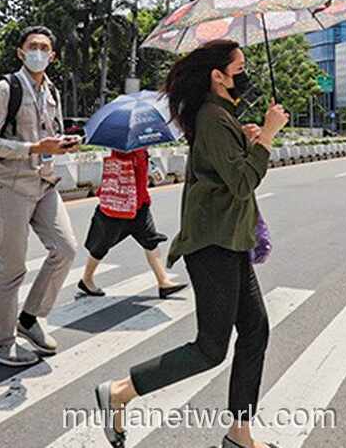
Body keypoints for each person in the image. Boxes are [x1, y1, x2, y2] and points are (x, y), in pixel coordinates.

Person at [94, 40, 289, 448]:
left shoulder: (222, 117)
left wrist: (251, 139)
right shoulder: (213, 117)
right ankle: (119, 393)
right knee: (210, 349)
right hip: (212, 245)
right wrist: (268, 135)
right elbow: (241, 183)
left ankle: (240, 434)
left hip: (229, 241)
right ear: (218, 76)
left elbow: (228, 171)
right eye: (239, 68)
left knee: (255, 331)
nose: (244, 74)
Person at [0, 25, 79, 367]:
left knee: (65, 249)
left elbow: (50, 135)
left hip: (44, 182)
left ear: (52, 56)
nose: (38, 52)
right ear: (20, 53)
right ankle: (0, 345)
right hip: (10, 187)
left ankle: (31, 317)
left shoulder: (51, 92)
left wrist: (61, 144)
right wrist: (34, 147)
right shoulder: (5, 89)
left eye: (44, 48)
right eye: (32, 46)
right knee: (12, 269)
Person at [77, 147, 187, 299]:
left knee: (151, 242)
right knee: (101, 245)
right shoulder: (123, 148)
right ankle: (86, 279)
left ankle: (164, 282)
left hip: (139, 205)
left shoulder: (142, 149)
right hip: (118, 206)